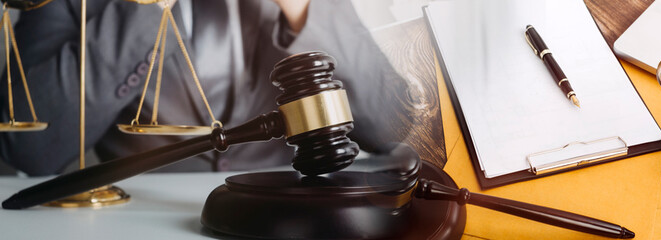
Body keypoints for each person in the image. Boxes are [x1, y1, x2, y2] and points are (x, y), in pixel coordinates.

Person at [0, 0, 410, 176]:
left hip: (291, 211)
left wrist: (303, 10)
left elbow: (394, 127)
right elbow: (31, 148)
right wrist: (143, 8)